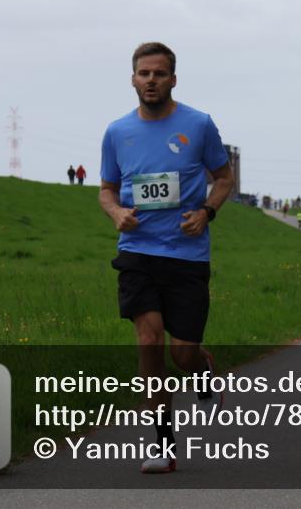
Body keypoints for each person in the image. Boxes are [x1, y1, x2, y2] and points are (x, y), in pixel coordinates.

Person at [98, 41, 235, 474]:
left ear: (173, 79)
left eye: (159, 73)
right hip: (137, 252)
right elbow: (106, 189)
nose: (151, 80)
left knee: (183, 353)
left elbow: (224, 178)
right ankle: (161, 443)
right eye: (144, 73)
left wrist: (207, 212)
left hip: (187, 255)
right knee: (149, 339)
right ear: (133, 79)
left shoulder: (198, 124)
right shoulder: (117, 132)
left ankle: (203, 365)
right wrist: (117, 212)